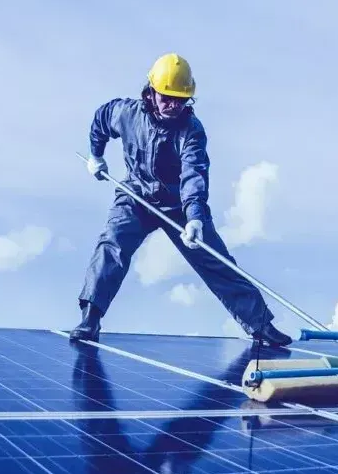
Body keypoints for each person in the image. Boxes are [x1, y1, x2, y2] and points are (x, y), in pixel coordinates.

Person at [70, 53, 292, 348]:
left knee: (215, 259)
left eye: (181, 99)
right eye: (168, 97)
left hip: (180, 207)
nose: (174, 105)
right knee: (113, 244)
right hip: (135, 196)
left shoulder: (192, 131)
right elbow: (100, 120)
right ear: (151, 92)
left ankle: (260, 325)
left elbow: (193, 174)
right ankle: (90, 318)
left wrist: (196, 217)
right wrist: (96, 156)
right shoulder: (125, 113)